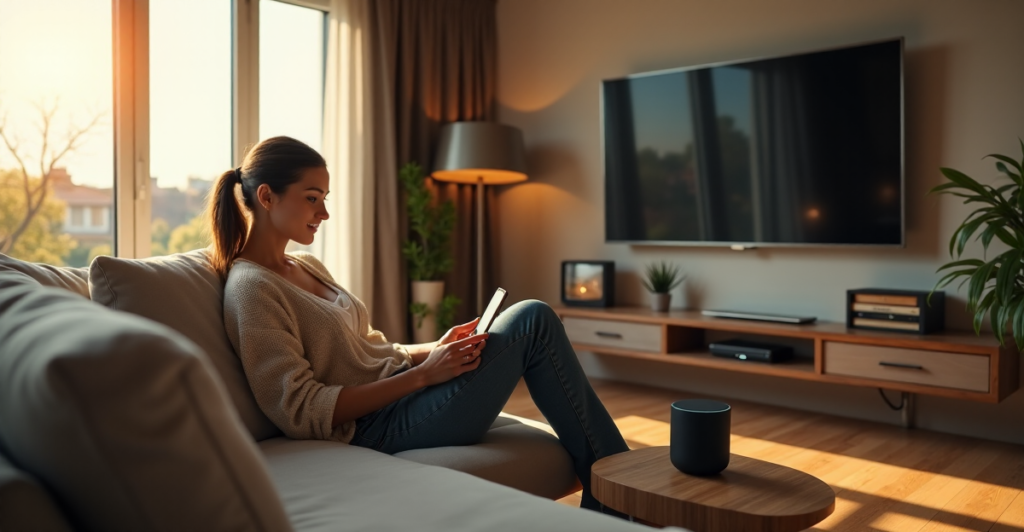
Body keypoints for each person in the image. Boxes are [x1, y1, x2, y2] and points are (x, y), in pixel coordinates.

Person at [213, 136, 629, 514]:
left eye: (324, 197)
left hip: (407, 393)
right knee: (533, 319)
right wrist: (422, 378)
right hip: (375, 427)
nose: (324, 212)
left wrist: (433, 349)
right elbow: (300, 411)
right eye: (311, 198)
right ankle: (618, 492)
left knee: (531, 319)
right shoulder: (251, 290)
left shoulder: (305, 266)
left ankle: (613, 490)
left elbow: (370, 349)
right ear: (267, 197)